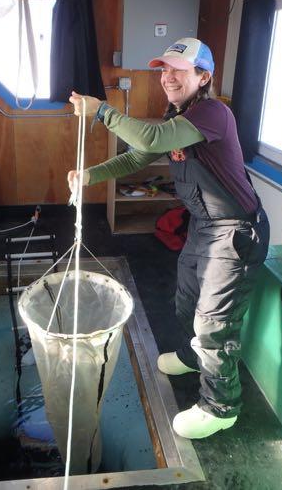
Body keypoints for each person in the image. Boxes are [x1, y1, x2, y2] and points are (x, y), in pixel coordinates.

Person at [67, 37, 270, 439]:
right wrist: (91, 175)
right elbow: (138, 155)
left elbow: (152, 141)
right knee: (186, 301)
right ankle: (190, 357)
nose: (168, 77)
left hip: (234, 232)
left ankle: (221, 406)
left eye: (179, 70)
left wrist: (104, 111)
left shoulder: (213, 112)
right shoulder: (179, 116)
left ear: (203, 76)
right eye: (164, 69)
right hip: (203, 226)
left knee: (214, 322)